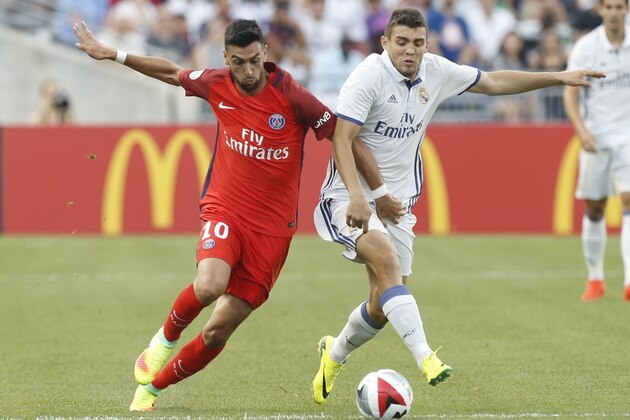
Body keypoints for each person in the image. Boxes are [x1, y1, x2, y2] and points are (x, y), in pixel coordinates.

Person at [73, 18, 376, 412]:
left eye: (253, 60)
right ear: (226, 58)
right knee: (209, 284)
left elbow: (339, 134)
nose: (247, 71)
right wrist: (113, 53)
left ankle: (153, 388)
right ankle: (163, 341)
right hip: (226, 208)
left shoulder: (293, 96)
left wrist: (364, 192)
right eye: (238, 62)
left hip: (272, 231)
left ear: (265, 53)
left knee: (217, 331)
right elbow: (171, 71)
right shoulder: (217, 83)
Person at [312, 7, 605, 404]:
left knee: (382, 304)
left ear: (427, 43)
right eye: (401, 43)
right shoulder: (368, 75)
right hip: (350, 198)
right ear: (385, 43)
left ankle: (336, 353)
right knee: (387, 264)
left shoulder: (437, 71)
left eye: (417, 43)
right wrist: (364, 196)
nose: (409, 51)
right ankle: (426, 358)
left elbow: (495, 82)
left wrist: (558, 77)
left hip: (397, 205)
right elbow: (343, 138)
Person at [563, 0, 630, 302]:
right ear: (601, 10)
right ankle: (595, 279)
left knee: (629, 201)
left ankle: (629, 282)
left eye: (620, 6)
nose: (615, 12)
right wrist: (581, 130)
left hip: (628, 135)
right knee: (595, 207)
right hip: (596, 135)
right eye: (610, 7)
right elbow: (570, 95)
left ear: (627, 9)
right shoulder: (586, 47)